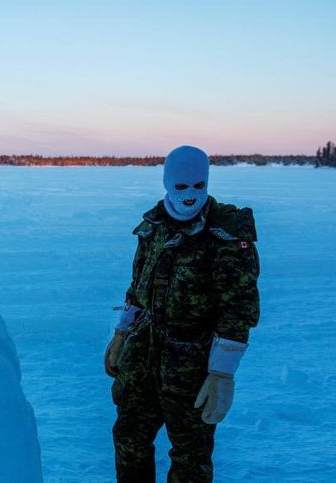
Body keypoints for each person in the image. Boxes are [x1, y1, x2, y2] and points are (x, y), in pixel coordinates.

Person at [104, 145, 260, 482]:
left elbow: (238, 308)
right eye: (181, 186)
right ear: (167, 183)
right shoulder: (153, 227)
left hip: (192, 367)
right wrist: (121, 333)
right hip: (143, 358)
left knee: (190, 457)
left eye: (198, 185)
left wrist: (222, 373)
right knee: (129, 438)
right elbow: (138, 287)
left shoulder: (226, 235)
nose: (190, 195)